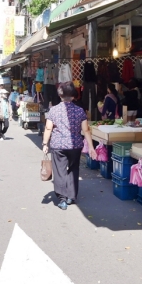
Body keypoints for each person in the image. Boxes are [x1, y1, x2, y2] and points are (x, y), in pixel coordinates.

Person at [42, 82, 91, 210]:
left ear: (60, 95)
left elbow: (48, 128)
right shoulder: (80, 111)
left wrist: (45, 144)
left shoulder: (54, 110)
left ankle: (62, 199)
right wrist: (91, 147)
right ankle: (71, 196)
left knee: (59, 171)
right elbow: (86, 130)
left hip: (58, 145)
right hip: (75, 145)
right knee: (74, 169)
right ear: (73, 96)